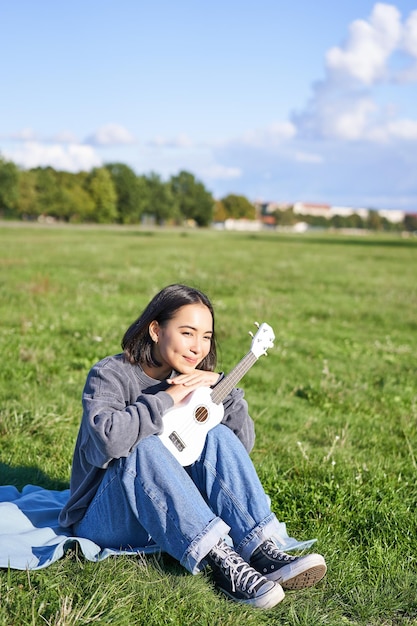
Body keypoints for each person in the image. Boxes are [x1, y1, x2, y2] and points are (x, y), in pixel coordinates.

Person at [59, 284, 326, 609]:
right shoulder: (111, 374)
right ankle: (222, 562)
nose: (197, 347)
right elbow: (110, 440)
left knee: (217, 434)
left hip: (167, 514)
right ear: (156, 330)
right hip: (104, 518)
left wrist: (221, 390)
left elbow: (239, 448)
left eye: (206, 336)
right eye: (187, 333)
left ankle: (260, 550)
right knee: (143, 446)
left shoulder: (198, 381)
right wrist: (167, 399)